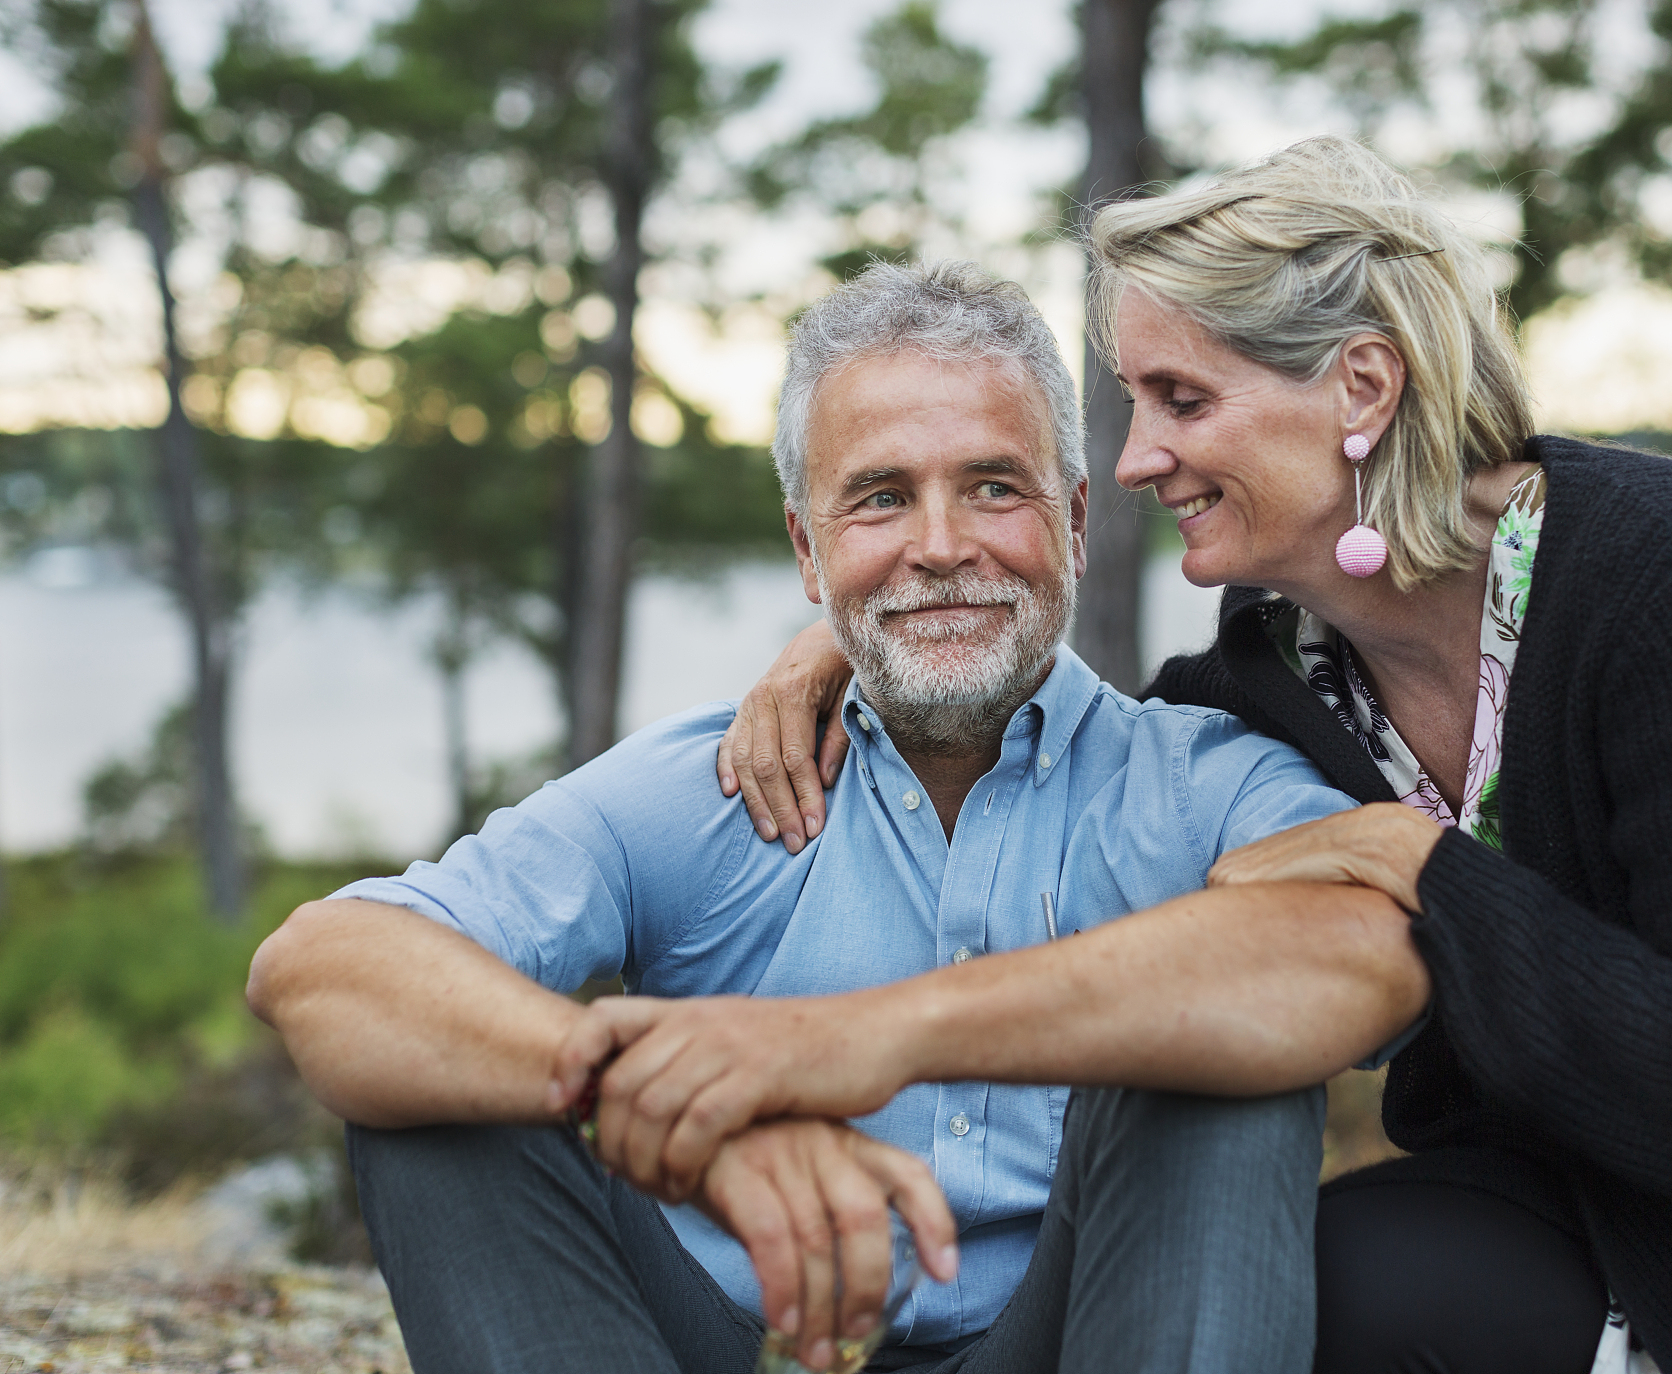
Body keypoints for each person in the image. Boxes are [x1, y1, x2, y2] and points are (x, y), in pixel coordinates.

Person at [711, 138, 1672, 1374]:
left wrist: (1427, 866)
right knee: (1317, 1286)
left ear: (1361, 385)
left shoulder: (1670, 582)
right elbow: (1092, 738)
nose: (1135, 459)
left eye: (1181, 399)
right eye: (1133, 402)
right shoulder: (1284, 666)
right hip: (1631, 1222)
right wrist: (857, 640)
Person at [246, 258, 1429, 1374]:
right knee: (436, 1093)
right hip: (724, 1341)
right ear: (808, 553)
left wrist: (852, 1042)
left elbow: (1363, 956)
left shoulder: (1208, 781)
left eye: (991, 487)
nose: (938, 546)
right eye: (878, 499)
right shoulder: (707, 787)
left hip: (1067, 1342)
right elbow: (322, 964)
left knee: (1214, 1053)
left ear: (1073, 523)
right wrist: (666, 1110)